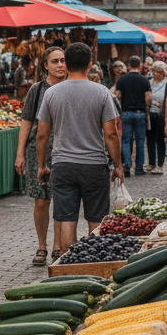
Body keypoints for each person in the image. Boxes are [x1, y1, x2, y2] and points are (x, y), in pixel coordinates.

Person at [36, 42, 123, 252]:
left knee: (67, 219)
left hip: (63, 165)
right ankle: (93, 264)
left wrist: (42, 166)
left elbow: (41, 135)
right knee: (96, 219)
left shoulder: (52, 93)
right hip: (94, 165)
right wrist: (118, 165)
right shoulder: (102, 93)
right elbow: (111, 133)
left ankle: (68, 266)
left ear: (66, 65)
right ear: (90, 64)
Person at [15, 46, 68, 266]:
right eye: (55, 61)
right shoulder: (37, 90)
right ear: (45, 65)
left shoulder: (70, 87)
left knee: (62, 200)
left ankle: (57, 245)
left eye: (63, 61)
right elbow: (26, 122)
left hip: (65, 149)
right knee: (41, 201)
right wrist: (20, 154)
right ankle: (42, 245)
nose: (60, 65)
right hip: (39, 149)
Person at [114, 55, 151, 176]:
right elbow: (148, 97)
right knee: (140, 141)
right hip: (140, 112)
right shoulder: (144, 80)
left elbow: (117, 96)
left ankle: (127, 163)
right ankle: (139, 168)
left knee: (125, 140)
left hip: (125, 112)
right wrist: (147, 109)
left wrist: (118, 110)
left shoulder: (122, 80)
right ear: (140, 65)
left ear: (129, 65)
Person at [146, 61, 167, 175]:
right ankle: (151, 163)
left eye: (159, 72)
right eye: (154, 71)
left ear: (164, 73)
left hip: (161, 115)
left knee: (159, 139)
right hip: (150, 114)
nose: (156, 74)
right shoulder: (149, 82)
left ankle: (160, 165)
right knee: (149, 139)